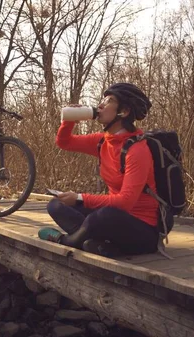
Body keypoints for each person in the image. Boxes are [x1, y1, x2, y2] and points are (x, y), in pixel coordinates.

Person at [38, 83, 159, 257]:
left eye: (109, 101)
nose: (101, 105)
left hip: (143, 230)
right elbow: (64, 142)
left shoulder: (137, 150)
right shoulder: (103, 141)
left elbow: (125, 202)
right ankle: (97, 244)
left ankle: (67, 241)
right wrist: (68, 122)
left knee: (102, 216)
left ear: (123, 112)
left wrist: (79, 198)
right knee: (56, 204)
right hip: (113, 220)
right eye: (103, 99)